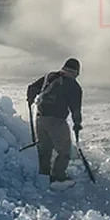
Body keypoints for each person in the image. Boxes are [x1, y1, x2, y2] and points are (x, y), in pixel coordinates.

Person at [26, 58, 83, 187]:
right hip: (57, 121)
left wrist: (30, 99)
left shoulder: (50, 76)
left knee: (45, 150)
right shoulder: (74, 86)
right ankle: (58, 178)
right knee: (64, 151)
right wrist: (77, 124)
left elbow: (32, 87)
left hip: (40, 119)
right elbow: (76, 110)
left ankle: (44, 176)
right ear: (76, 72)